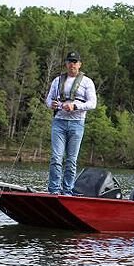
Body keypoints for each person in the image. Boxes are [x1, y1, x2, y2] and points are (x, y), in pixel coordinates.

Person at [45, 51, 97, 195]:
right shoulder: (57, 81)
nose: (72, 65)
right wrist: (52, 104)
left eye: (75, 62)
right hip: (59, 122)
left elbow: (92, 103)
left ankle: (67, 191)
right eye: (69, 62)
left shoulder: (87, 82)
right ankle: (54, 190)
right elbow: (48, 100)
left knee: (71, 160)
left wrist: (75, 106)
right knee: (56, 157)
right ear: (66, 64)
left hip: (77, 123)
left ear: (79, 64)